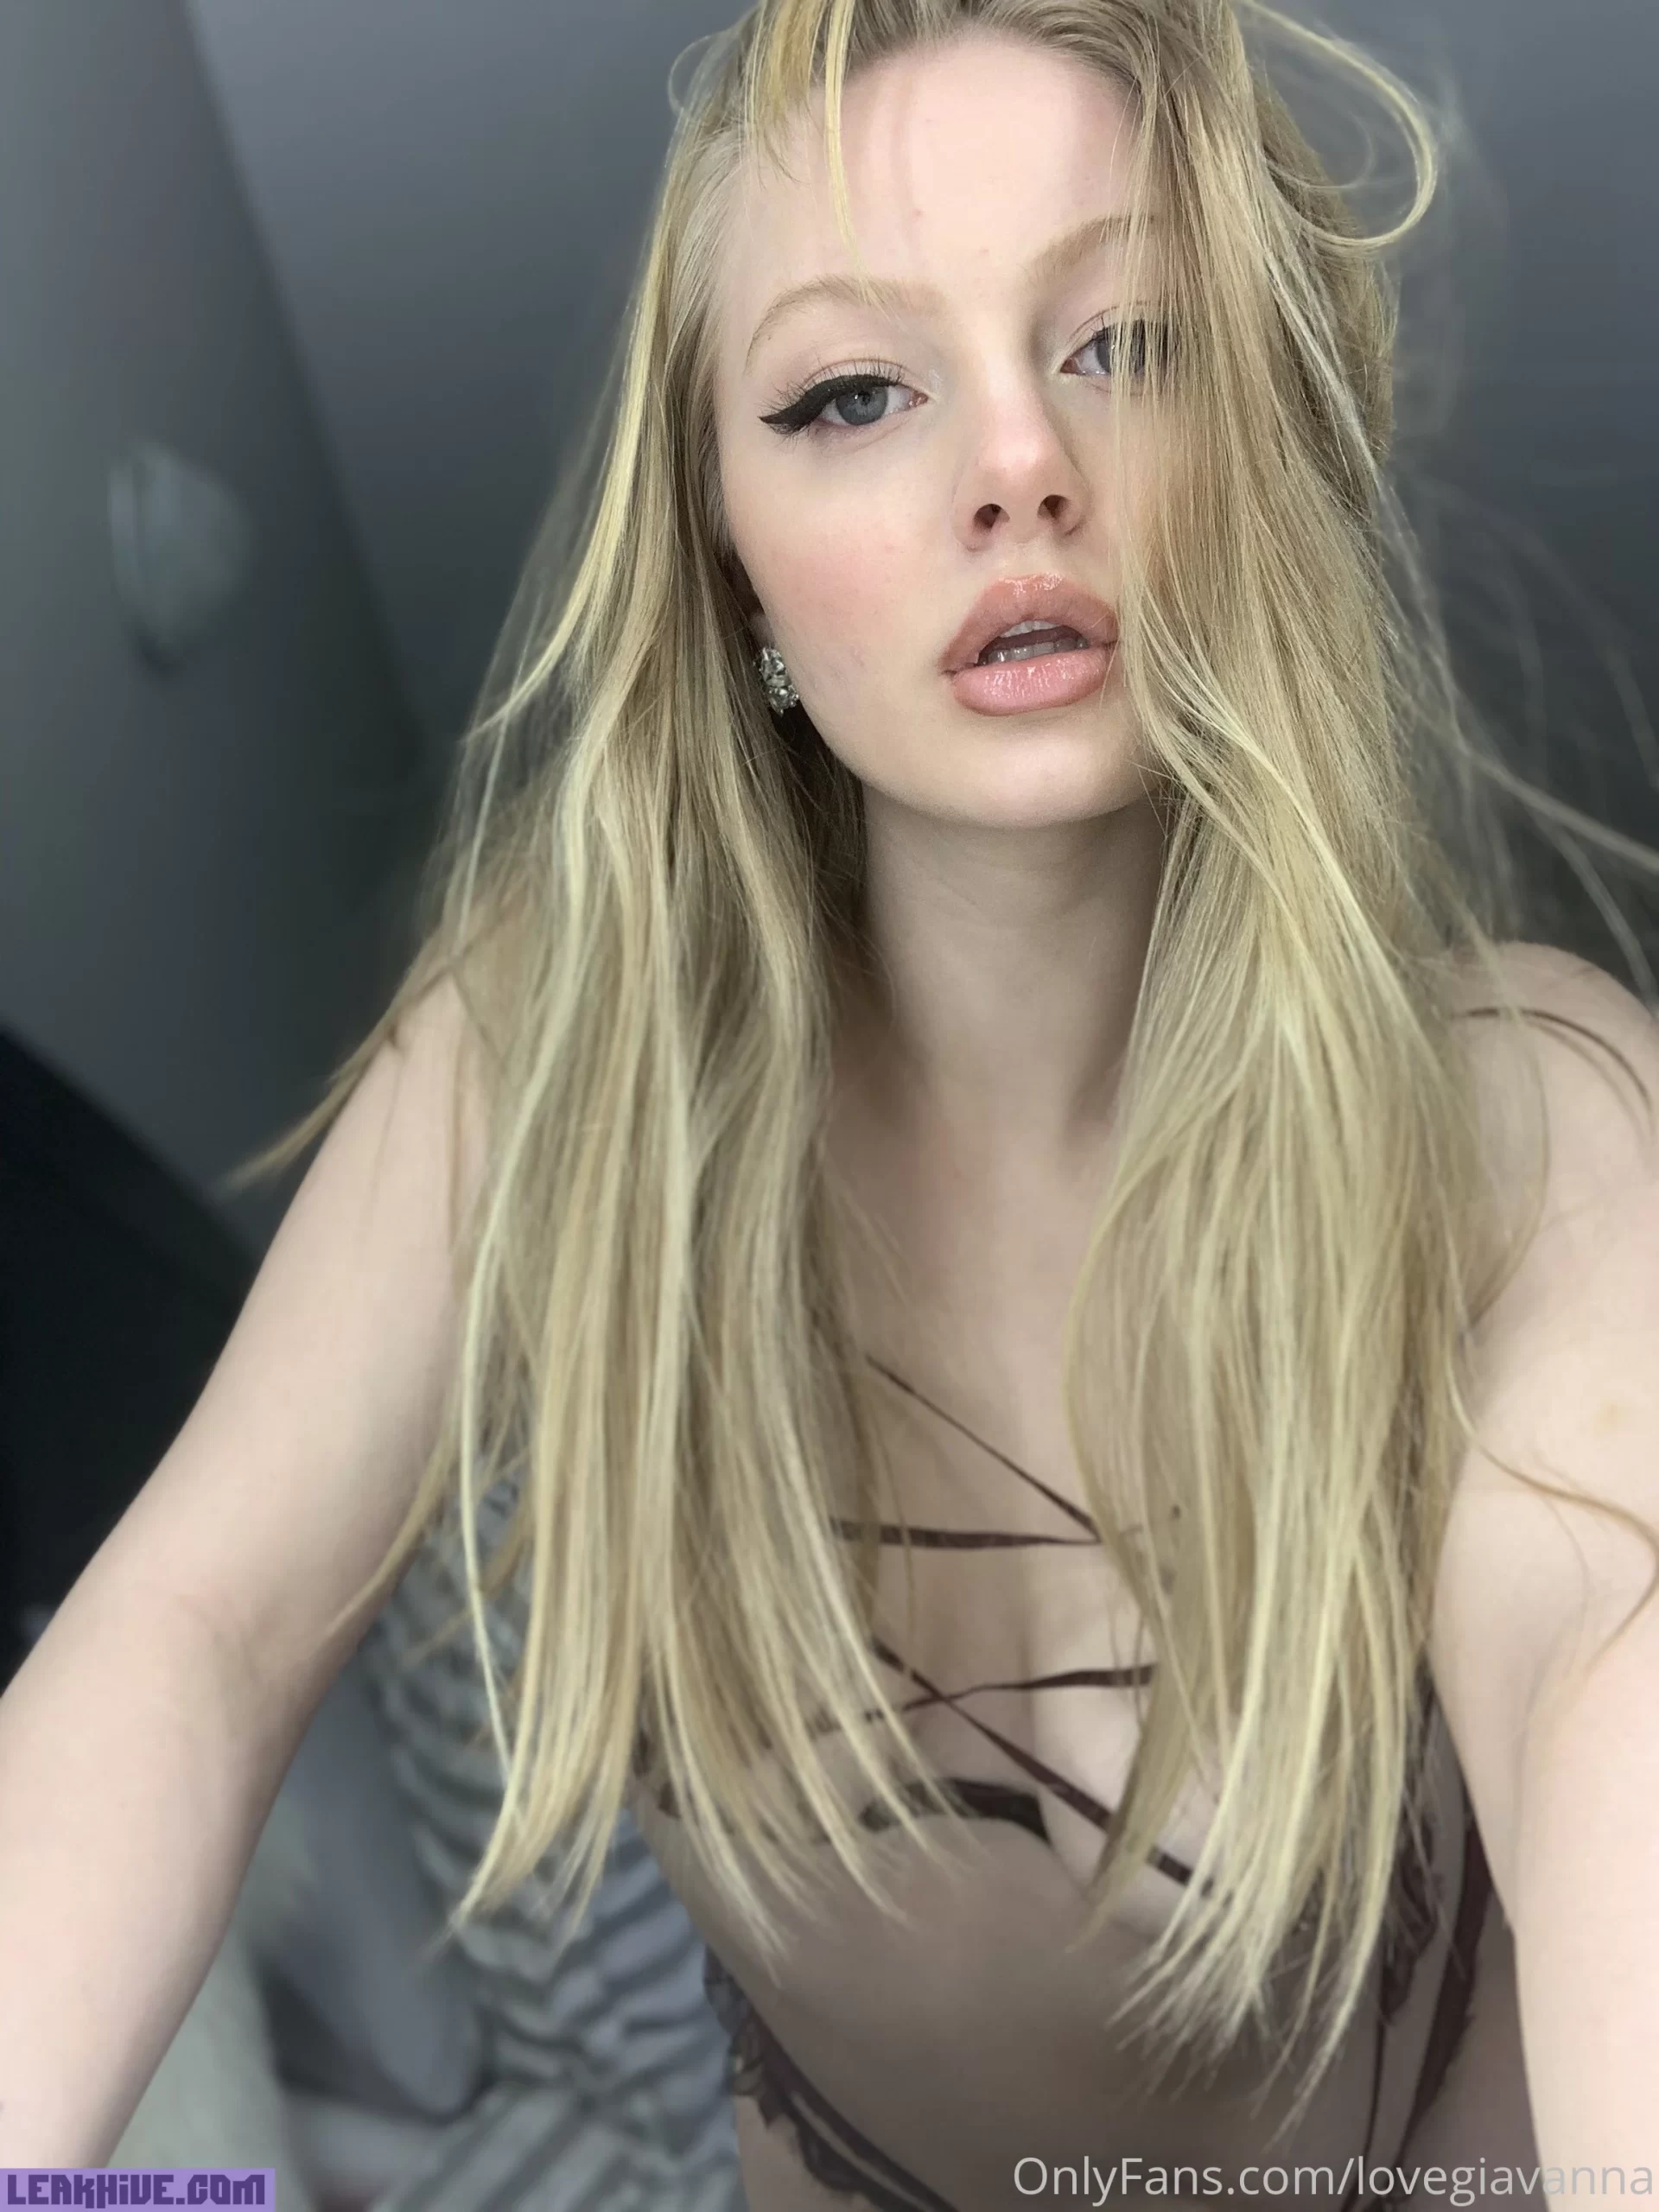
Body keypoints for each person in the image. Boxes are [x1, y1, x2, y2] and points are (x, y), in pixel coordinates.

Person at [3, 1, 1658, 2205]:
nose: (1019, 460)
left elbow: (1613, 1675)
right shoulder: (554, 1057)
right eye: (854, 392)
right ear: (737, 575)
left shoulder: (1525, 1117)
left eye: (1129, 343)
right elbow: (191, 1635)